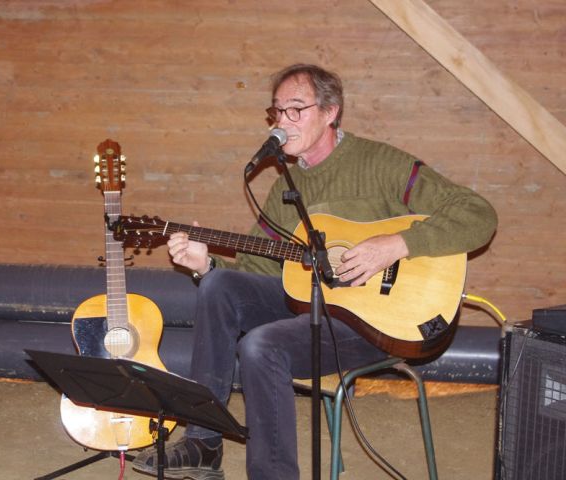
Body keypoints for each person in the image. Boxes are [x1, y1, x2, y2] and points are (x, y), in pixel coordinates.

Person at [132, 63, 497, 480]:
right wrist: (204, 264)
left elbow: (478, 214)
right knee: (218, 285)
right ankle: (202, 443)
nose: (283, 122)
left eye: (295, 110)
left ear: (331, 112)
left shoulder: (381, 164)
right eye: (277, 112)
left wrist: (398, 244)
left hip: (378, 323)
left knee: (261, 345)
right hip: (311, 312)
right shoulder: (282, 189)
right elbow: (255, 270)